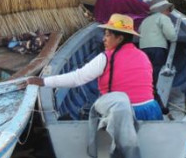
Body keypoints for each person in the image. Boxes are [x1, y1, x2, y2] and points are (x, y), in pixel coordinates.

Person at [26, 13, 162, 120]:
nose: (104, 39)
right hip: (150, 110)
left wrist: (43, 81)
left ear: (119, 38)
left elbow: (77, 78)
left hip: (123, 115)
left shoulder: (105, 58)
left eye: (108, 35)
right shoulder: (143, 56)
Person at [139, 0, 178, 90]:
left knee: (146, 70)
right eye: (168, 10)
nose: (169, 13)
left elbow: (140, 31)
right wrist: (174, 38)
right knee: (156, 70)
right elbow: (171, 35)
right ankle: (154, 90)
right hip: (158, 48)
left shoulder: (145, 20)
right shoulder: (163, 18)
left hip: (143, 49)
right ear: (163, 9)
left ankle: (144, 88)